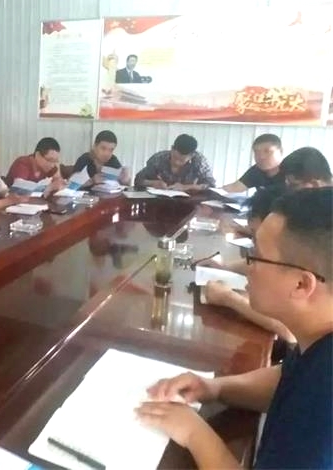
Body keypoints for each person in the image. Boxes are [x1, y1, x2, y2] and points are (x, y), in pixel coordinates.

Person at [138, 187, 333, 469]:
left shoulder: (324, 396)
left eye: (256, 255)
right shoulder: (317, 344)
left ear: (301, 284)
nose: (247, 266)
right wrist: (214, 388)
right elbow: (288, 378)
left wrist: (194, 433)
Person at [203, 187, 295, 343]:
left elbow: (289, 330)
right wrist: (225, 267)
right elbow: (258, 263)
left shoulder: (307, 261)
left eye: (255, 234)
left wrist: (228, 298)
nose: (253, 241)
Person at [134, 134, 216, 190]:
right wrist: (152, 183)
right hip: (161, 201)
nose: (177, 162)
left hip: (190, 202)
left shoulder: (199, 161)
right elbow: (138, 179)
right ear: (172, 149)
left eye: (181, 160)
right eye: (175, 158)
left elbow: (211, 185)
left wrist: (187, 187)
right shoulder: (158, 159)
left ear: (191, 155)